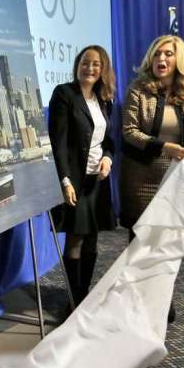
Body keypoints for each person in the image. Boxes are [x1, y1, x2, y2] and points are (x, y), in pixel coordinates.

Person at [120, 35, 184, 323]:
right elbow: (129, 132)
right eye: (157, 54)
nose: (161, 60)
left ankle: (162, 296)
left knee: (167, 244)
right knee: (141, 242)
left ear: (178, 59)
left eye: (167, 54)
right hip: (140, 179)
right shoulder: (138, 89)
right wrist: (165, 147)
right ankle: (136, 302)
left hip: (175, 182)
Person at [48, 45, 117, 309]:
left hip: (97, 183)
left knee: (93, 239)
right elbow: (59, 142)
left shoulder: (104, 99)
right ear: (78, 65)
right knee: (75, 239)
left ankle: (83, 293)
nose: (90, 68)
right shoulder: (64, 94)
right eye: (85, 63)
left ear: (103, 70)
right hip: (74, 182)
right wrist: (64, 180)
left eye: (96, 64)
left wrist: (108, 160)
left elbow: (109, 141)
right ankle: (73, 300)